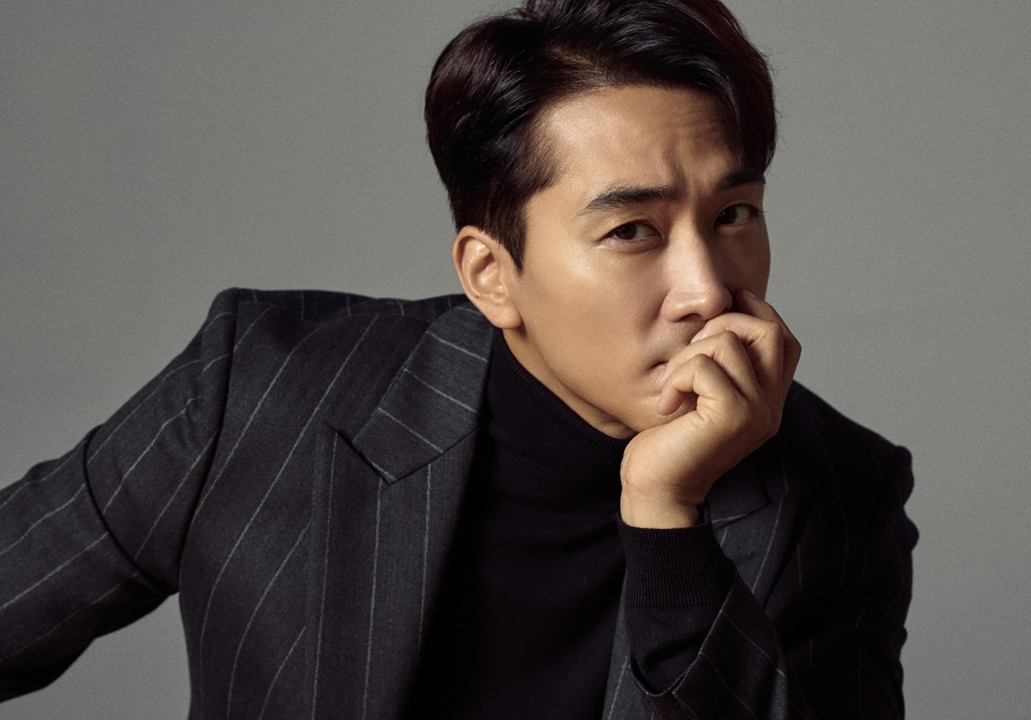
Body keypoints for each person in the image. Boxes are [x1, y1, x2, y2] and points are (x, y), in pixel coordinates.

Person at [0, 0, 917, 717]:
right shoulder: (262, 386)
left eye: (734, 215)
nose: (707, 290)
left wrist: (666, 518)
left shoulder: (840, 494)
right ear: (492, 276)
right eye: (633, 230)